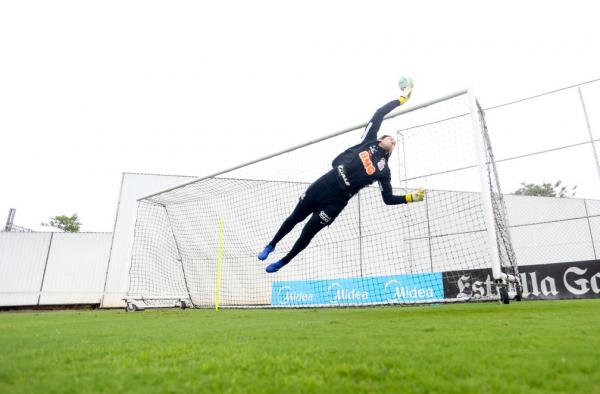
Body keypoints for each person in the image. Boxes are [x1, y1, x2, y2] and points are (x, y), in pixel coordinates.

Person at [258, 86, 425, 273]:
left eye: (395, 143)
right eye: (391, 139)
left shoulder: (384, 170)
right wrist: (401, 100)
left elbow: (388, 199)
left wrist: (410, 198)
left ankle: (284, 261)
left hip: (336, 201)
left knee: (307, 233)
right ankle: (271, 245)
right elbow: (379, 113)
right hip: (324, 184)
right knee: (295, 218)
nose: (393, 142)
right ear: (380, 139)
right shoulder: (368, 141)